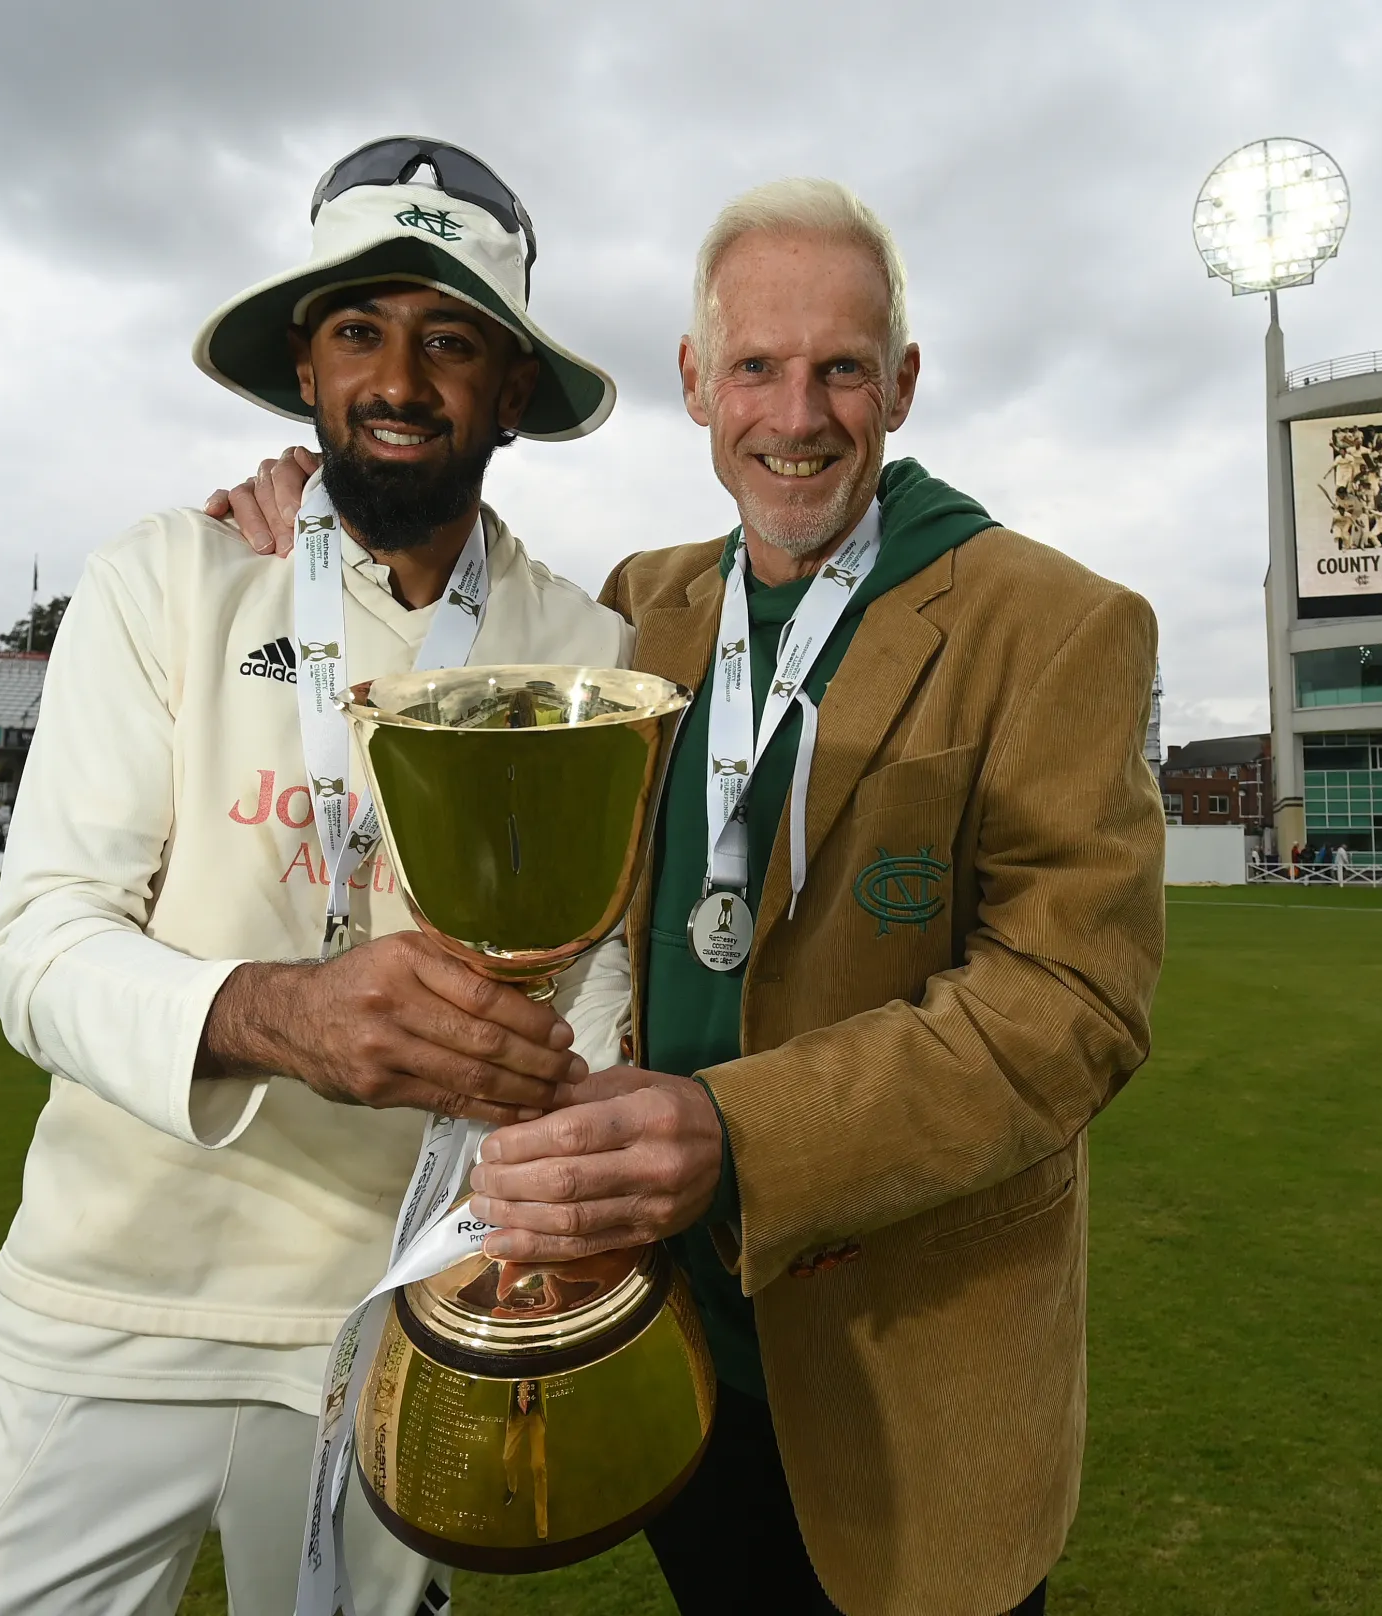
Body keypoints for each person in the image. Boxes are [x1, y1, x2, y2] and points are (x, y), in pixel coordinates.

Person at [218, 177, 1162, 1616]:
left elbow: (1073, 1008)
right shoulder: (639, 609)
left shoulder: (1057, 623)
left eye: (843, 367)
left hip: (909, 1374)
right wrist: (306, 508)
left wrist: (732, 1131)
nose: (797, 416)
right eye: (757, 368)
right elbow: (442, 601)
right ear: (694, 384)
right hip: (668, 1349)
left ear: (902, 385)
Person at [0, 137, 633, 1616]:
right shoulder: (167, 577)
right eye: (358, 330)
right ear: (307, 368)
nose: (399, 380)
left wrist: (554, 1181)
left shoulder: (581, 651)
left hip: (399, 1317)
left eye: (451, 340)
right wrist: (286, 1014)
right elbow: (37, 945)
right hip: (111, 1289)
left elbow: (589, 988)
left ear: (514, 391)